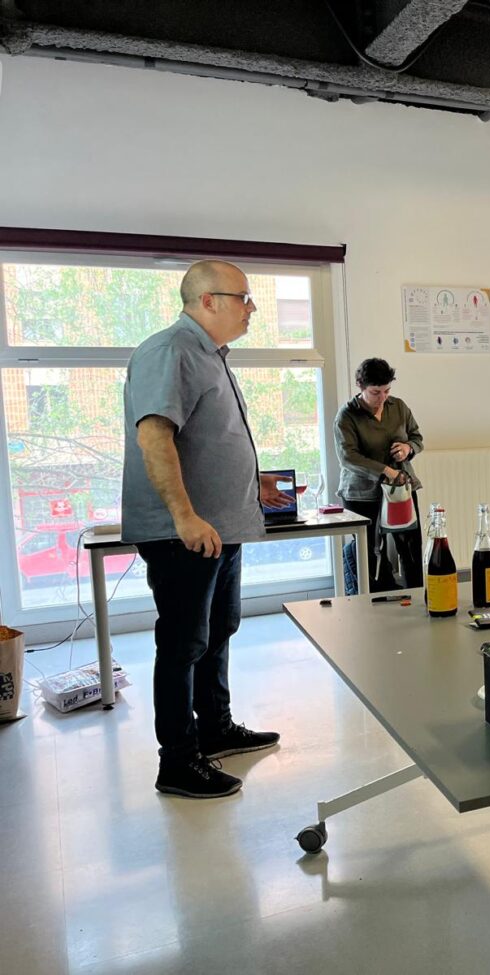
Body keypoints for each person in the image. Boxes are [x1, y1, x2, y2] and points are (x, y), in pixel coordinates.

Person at [122, 260, 284, 799]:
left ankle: (215, 727)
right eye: (244, 297)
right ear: (208, 300)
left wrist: (253, 480)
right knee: (183, 643)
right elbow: (155, 437)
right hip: (184, 534)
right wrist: (185, 516)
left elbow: (207, 440)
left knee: (218, 630)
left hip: (221, 528)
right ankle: (178, 760)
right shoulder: (171, 350)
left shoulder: (210, 354)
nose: (252, 308)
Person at [334, 358, 424, 594]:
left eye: (387, 391)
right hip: (362, 493)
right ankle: (375, 601)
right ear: (360, 386)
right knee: (371, 553)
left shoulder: (399, 407)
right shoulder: (346, 416)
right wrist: (385, 470)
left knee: (411, 547)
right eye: (375, 392)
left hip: (401, 488)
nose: (382, 398)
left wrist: (408, 448)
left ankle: (417, 597)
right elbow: (348, 457)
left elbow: (417, 438)